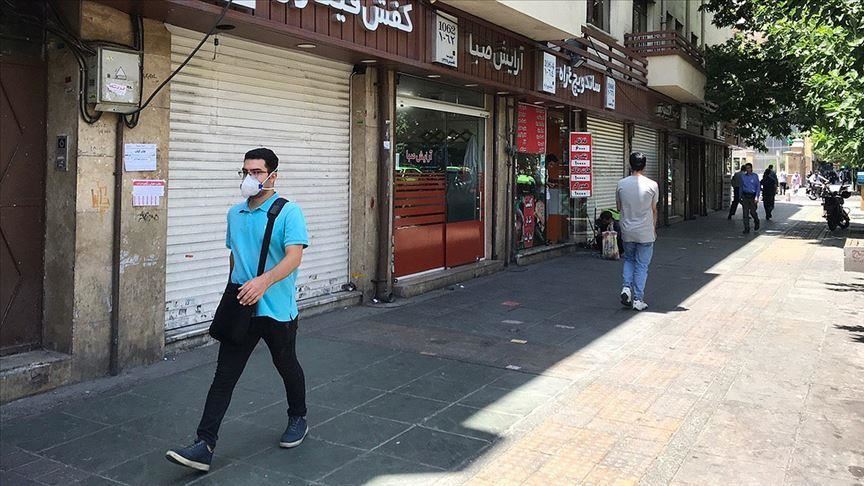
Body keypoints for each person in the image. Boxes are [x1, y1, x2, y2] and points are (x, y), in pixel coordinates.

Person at [166, 148, 310, 472]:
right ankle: (204, 445)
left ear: (273, 176)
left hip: (277, 309)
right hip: (243, 307)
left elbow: (294, 257)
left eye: (257, 172)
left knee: (286, 364)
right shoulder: (235, 213)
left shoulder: (289, 212)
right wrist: (233, 292)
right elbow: (235, 255)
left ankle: (298, 416)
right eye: (246, 171)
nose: (250, 178)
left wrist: (264, 282)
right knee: (224, 375)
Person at [617, 152, 659, 312]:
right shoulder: (652, 185)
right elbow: (654, 209)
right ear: (645, 166)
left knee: (629, 259)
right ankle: (638, 299)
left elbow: (619, 207)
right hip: (645, 232)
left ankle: (626, 288)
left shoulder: (621, 184)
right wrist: (653, 229)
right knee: (642, 265)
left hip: (627, 230)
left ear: (630, 165)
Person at [740, 163, 761, 234]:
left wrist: (757, 197)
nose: (748, 169)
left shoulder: (755, 176)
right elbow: (741, 187)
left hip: (752, 196)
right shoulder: (743, 177)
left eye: (749, 168)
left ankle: (756, 220)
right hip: (745, 196)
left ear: (751, 168)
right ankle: (746, 228)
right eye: (747, 168)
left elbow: (758, 187)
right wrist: (740, 197)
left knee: (752, 212)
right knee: (745, 213)